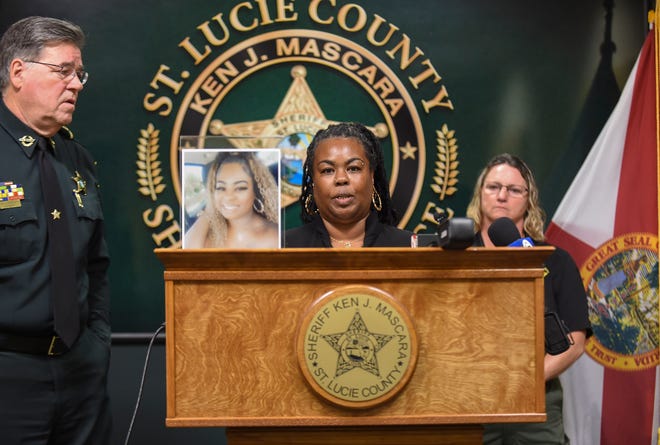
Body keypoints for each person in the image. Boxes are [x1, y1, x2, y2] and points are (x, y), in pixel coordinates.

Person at [0, 16, 112, 443]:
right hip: (9, 377)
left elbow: (96, 264)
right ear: (18, 72)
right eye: (63, 71)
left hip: (80, 372)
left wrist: (96, 344)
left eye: (79, 73)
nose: (77, 84)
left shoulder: (77, 158)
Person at [466, 153, 591, 444]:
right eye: (493, 187)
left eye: (513, 190)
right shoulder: (455, 257)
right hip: (469, 400)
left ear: (529, 199)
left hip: (535, 402)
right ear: (480, 194)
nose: (501, 196)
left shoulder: (555, 261)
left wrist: (525, 381)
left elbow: (575, 341)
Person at [284, 122, 412, 247]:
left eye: (353, 168)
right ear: (313, 182)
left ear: (372, 176)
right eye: (327, 170)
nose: (341, 179)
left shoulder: (410, 247)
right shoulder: (283, 248)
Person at [184, 150, 279, 248]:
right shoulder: (210, 237)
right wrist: (210, 208)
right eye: (221, 188)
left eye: (240, 188)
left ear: (255, 191)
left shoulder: (273, 237)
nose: (228, 197)